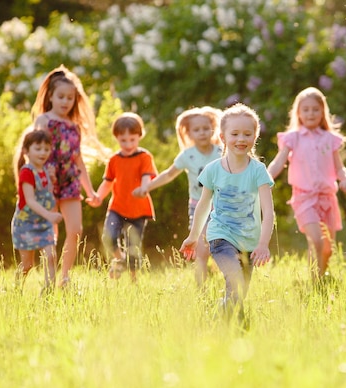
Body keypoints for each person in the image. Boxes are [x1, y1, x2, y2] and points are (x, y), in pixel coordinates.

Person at [179, 103, 274, 321]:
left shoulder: (258, 170)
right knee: (235, 277)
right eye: (235, 134)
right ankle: (239, 327)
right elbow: (203, 205)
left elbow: (268, 211)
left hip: (249, 241)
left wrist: (262, 244)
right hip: (220, 236)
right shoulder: (213, 169)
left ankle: (221, 316)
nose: (241, 139)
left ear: (255, 137)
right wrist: (194, 237)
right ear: (223, 137)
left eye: (247, 134)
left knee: (239, 292)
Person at [267, 87, 346, 285]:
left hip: (327, 198)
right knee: (317, 240)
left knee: (327, 248)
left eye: (315, 109)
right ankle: (315, 282)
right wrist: (266, 177)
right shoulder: (293, 138)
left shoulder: (329, 139)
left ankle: (320, 279)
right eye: (305, 109)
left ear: (323, 112)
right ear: (298, 113)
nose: (310, 113)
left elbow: (340, 168)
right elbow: (279, 162)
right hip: (304, 198)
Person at [31, 65, 103, 288]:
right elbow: (33, 151)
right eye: (61, 96)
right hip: (48, 183)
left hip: (70, 182)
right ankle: (49, 279)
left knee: (76, 230)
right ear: (50, 96)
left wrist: (90, 191)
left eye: (70, 98)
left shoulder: (74, 127)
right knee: (49, 233)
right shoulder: (44, 120)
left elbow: (78, 159)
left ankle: (65, 277)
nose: (65, 101)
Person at [133, 106, 222, 286]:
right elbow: (169, 174)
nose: (202, 133)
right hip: (199, 207)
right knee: (202, 250)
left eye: (206, 128)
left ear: (213, 128)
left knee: (222, 248)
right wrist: (148, 187)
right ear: (188, 133)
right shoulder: (187, 156)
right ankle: (201, 291)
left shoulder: (221, 151)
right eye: (197, 130)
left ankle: (223, 278)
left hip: (223, 206)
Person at [88, 112, 157, 282]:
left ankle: (134, 279)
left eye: (132, 140)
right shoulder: (114, 160)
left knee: (133, 245)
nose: (128, 144)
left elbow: (147, 176)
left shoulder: (144, 157)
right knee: (108, 237)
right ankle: (119, 259)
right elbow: (108, 182)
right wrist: (98, 197)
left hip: (139, 209)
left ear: (139, 136)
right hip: (117, 207)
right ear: (116, 138)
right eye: (123, 140)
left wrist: (143, 187)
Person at [11, 129, 63, 295]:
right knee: (27, 265)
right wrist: (49, 215)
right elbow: (30, 200)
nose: (43, 153)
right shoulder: (26, 172)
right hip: (25, 223)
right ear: (26, 151)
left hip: (43, 224)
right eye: (38, 148)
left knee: (51, 256)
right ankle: (15, 291)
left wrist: (52, 180)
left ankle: (47, 295)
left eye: (46, 149)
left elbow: (46, 194)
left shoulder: (46, 171)